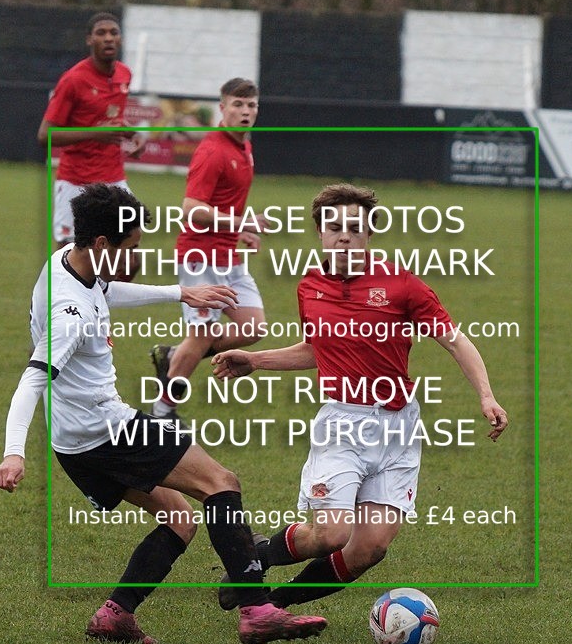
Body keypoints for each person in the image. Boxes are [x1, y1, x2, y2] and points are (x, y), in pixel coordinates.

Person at [0, 183, 326, 644]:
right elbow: (32, 379)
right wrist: (14, 454)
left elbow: (108, 291)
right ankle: (257, 610)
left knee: (179, 518)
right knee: (221, 481)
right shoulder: (67, 314)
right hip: (107, 430)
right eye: (132, 248)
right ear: (104, 244)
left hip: (73, 442)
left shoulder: (71, 259)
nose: (139, 255)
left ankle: (115, 615)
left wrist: (182, 293)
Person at [212, 183, 508, 610]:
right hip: (343, 425)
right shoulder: (309, 287)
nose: (344, 235)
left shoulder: (403, 285)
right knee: (331, 534)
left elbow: (455, 341)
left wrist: (486, 396)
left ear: (370, 233)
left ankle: (271, 603)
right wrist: (256, 360)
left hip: (398, 428)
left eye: (355, 226)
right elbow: (318, 349)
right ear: (320, 232)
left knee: (368, 549)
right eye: (334, 226)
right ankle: (256, 560)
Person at [150, 77, 269, 422]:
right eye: (238, 105)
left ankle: (173, 356)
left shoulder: (243, 146)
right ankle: (162, 412)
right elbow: (191, 207)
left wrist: (241, 231)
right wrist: (241, 223)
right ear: (222, 108)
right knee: (201, 335)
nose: (245, 112)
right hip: (200, 257)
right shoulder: (212, 150)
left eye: (251, 106)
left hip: (227, 256)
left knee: (253, 327)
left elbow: (225, 204)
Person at [37, 12, 145, 249]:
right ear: (89, 40)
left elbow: (113, 119)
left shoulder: (124, 74)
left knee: (131, 254)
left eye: (113, 33)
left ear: (121, 40)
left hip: (113, 178)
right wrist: (94, 133)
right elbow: (45, 136)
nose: (108, 38)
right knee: (68, 253)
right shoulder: (73, 80)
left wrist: (135, 136)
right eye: (101, 33)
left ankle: (106, 288)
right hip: (76, 180)